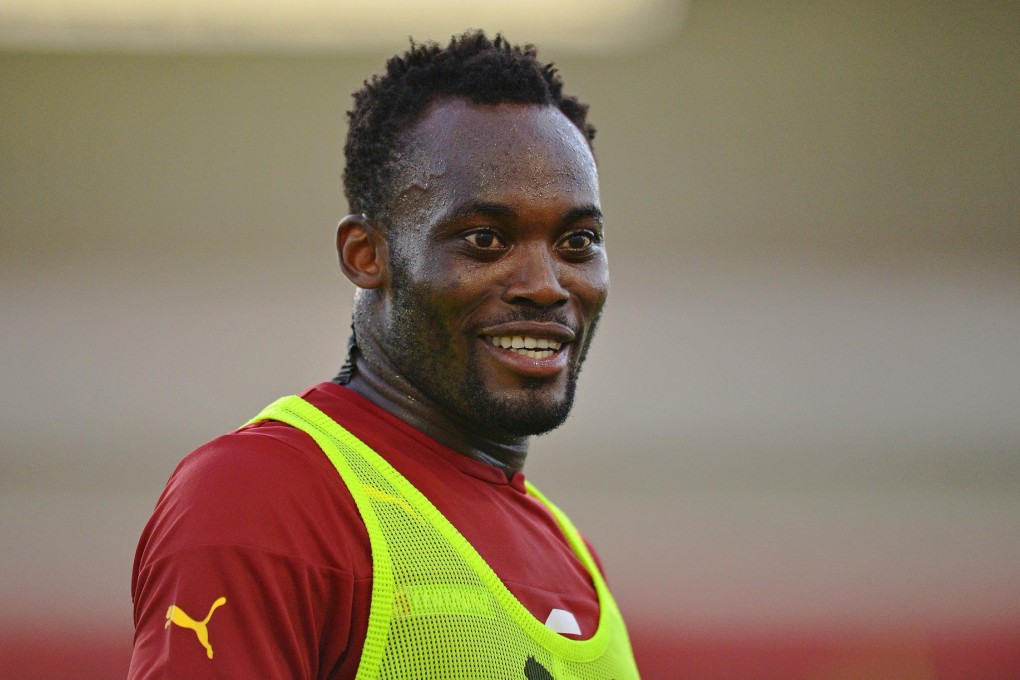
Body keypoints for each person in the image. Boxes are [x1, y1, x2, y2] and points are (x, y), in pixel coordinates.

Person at [130, 30, 639, 679]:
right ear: (366, 256)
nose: (545, 285)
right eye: (485, 239)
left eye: (578, 241)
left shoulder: (570, 553)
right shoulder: (264, 500)